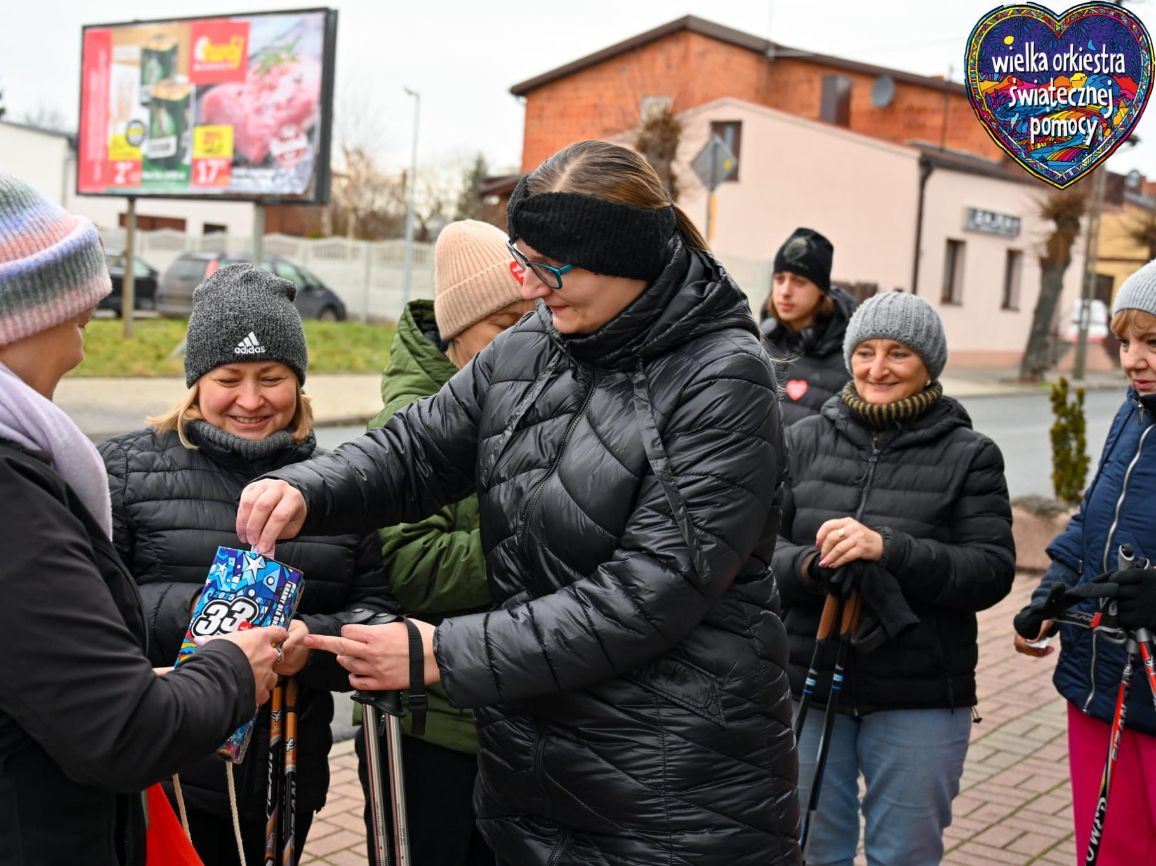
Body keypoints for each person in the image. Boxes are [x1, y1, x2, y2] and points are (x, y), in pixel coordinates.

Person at [238, 139, 800, 865]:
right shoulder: (535, 342)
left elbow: (648, 593)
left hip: (674, 791)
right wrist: (305, 488)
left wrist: (446, 651)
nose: (532, 288)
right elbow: (417, 450)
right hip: (531, 773)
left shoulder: (722, 380)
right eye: (524, 263)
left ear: (625, 256)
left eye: (550, 268)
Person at [0, 149, 285, 866]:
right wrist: (230, 669)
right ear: (9, 322)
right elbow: (124, 734)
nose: (81, 350)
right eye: (76, 321)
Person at [98, 263, 396, 865]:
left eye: (273, 377)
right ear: (196, 381)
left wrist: (310, 642)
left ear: (300, 382)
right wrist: (205, 618)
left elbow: (379, 614)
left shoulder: (339, 489)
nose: (252, 400)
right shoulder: (125, 471)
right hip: (161, 771)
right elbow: (89, 613)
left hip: (282, 775)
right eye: (229, 377)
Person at [774, 291, 1015, 866]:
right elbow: (757, 553)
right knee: (808, 849)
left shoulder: (971, 454)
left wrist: (891, 551)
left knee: (904, 853)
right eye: (865, 352)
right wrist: (811, 565)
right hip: (808, 675)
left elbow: (990, 571)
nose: (877, 369)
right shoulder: (802, 440)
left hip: (921, 692)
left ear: (929, 362)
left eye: (898, 354)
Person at [355, 219, 531, 865]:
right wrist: (550, 534)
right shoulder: (410, 425)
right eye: (505, 323)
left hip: (516, 712)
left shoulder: (529, 402)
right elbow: (413, 568)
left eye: (535, 317)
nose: (528, 339)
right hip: (434, 728)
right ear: (457, 331)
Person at [1016, 259, 1156, 865]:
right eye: (1124, 341)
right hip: (1101, 679)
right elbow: (1092, 516)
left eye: (1153, 342)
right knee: (1111, 851)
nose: (1134, 359)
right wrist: (1054, 589)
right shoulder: (1132, 411)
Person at [759, 227, 858, 426]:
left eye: (799, 281)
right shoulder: (760, 343)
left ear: (822, 290)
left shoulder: (851, 358)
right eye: (779, 279)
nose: (785, 291)